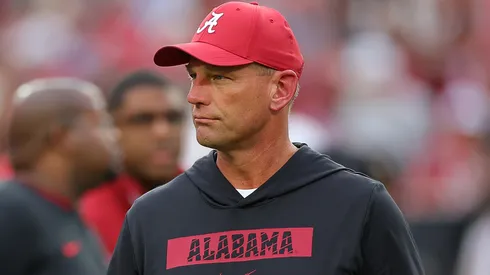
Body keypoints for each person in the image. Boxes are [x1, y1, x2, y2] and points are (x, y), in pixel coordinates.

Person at [108, 2, 424, 275]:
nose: (194, 96)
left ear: (281, 89)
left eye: (219, 77)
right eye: (193, 76)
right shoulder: (151, 218)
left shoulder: (358, 207)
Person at [0, 77, 120, 275]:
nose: (115, 135)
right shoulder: (10, 211)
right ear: (62, 137)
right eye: (102, 124)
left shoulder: (66, 214)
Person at [80, 70, 186, 256]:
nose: (162, 131)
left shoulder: (205, 195)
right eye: (142, 120)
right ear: (111, 128)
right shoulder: (91, 212)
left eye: (172, 118)